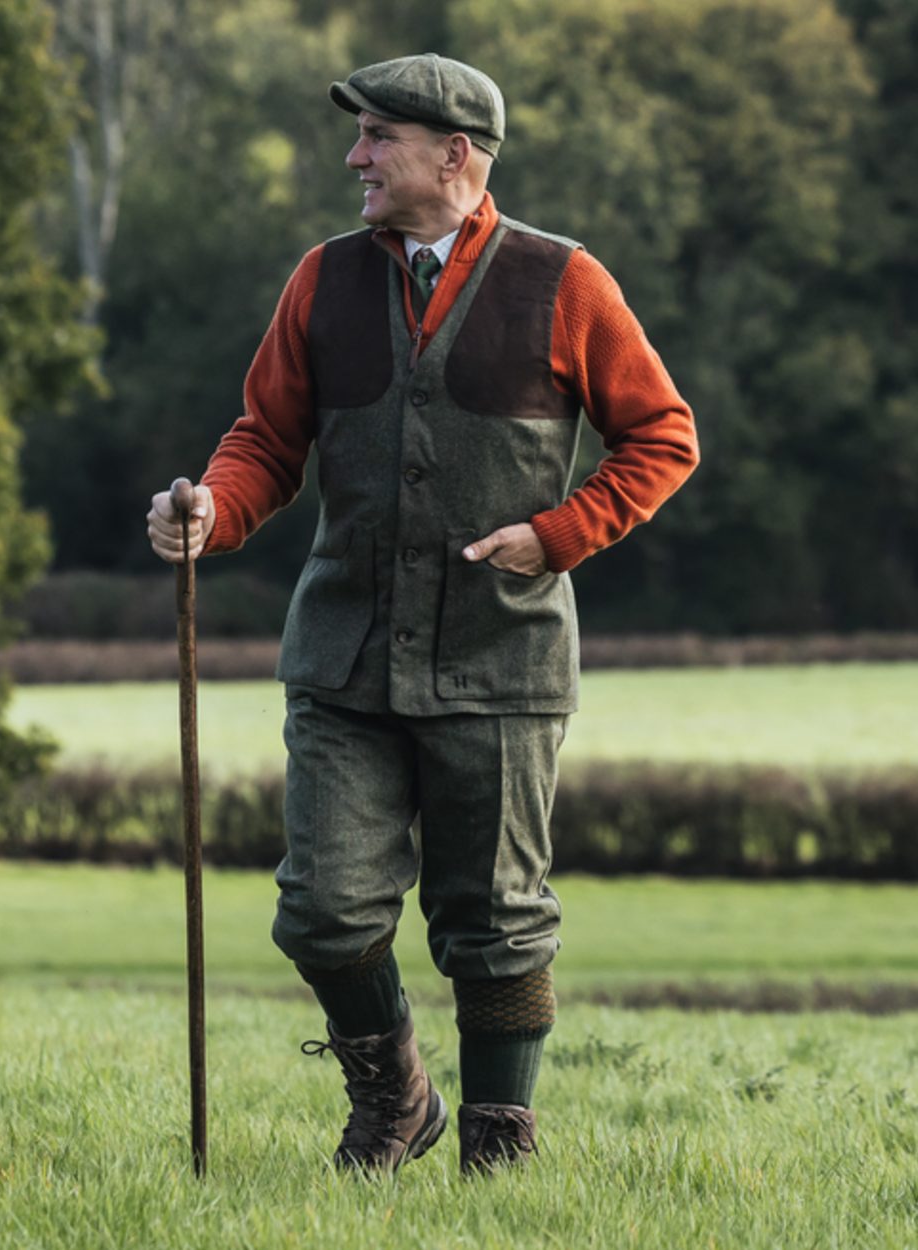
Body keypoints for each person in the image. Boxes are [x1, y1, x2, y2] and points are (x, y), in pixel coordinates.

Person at [147, 53, 699, 1175]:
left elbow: (664, 438)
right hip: (342, 658)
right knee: (321, 910)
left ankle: (499, 1148)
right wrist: (213, 510)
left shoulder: (564, 280)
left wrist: (557, 535)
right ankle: (397, 1095)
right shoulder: (322, 279)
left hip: (502, 663)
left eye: (376, 139)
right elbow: (265, 440)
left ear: (454, 155)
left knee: (494, 922)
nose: (354, 157)